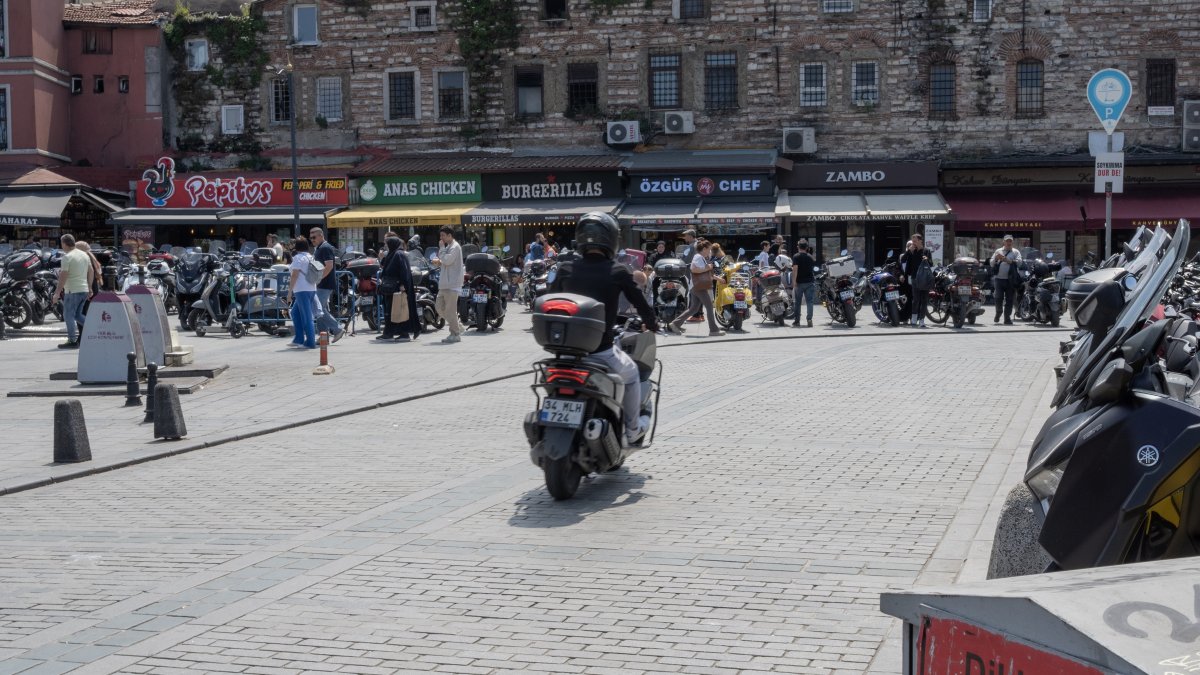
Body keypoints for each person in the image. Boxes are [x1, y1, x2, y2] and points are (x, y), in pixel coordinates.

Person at [549, 212, 658, 446]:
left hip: (564, 352)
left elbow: (548, 298)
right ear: (611, 240)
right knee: (630, 374)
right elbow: (639, 301)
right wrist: (652, 322)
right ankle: (632, 429)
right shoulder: (616, 270)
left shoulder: (566, 268)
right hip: (600, 350)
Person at [668, 240, 724, 337]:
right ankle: (714, 330)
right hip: (698, 287)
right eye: (709, 249)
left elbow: (705, 273)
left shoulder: (701, 258)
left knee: (693, 308)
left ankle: (675, 324)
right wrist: (708, 267)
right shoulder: (698, 257)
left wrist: (718, 278)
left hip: (695, 286)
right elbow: (693, 269)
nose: (710, 251)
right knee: (709, 307)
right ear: (704, 249)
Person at [52, 234, 94, 349]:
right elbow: (91, 271)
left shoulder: (67, 257)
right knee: (77, 315)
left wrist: (57, 292)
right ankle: (95, 331)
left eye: (62, 244)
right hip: (84, 289)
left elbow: (63, 275)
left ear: (64, 244)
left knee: (68, 315)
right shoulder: (84, 255)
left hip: (72, 290)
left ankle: (72, 340)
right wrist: (89, 287)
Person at [378, 236, 420, 341]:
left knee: (401, 309)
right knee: (390, 311)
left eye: (387, 244)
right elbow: (385, 266)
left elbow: (404, 271)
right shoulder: (392, 253)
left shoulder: (399, 254)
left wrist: (403, 284)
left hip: (398, 288)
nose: (386, 246)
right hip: (391, 288)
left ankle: (404, 333)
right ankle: (389, 332)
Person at [308, 228, 346, 343]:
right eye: (311, 238)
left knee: (318, 309)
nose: (312, 240)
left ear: (321, 236)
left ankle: (337, 329)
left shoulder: (325, 247)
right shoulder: (319, 248)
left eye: (314, 237)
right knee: (319, 309)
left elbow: (329, 265)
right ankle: (323, 336)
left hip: (324, 284)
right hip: (321, 284)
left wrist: (318, 279)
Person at [431, 225, 465, 344]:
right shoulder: (449, 247)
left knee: (450, 310)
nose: (441, 238)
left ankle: (455, 334)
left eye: (443, 235)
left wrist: (441, 248)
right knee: (439, 307)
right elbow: (446, 261)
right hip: (445, 283)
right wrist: (439, 262)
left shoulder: (455, 247)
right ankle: (457, 324)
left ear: (450, 235)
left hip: (452, 284)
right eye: (441, 235)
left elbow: (447, 260)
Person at [286, 237, 318, 349]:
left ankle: (310, 342)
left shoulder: (298, 258)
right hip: (311, 288)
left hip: (301, 289)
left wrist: (289, 292)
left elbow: (294, 275)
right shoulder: (311, 257)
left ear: (297, 247)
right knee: (295, 313)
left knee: (306, 316)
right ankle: (299, 338)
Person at [900, 233, 933, 327]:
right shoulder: (911, 251)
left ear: (920, 241)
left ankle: (922, 320)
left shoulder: (926, 251)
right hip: (914, 278)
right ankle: (914, 319)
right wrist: (908, 251)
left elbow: (931, 264)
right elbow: (902, 260)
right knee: (915, 299)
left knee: (924, 300)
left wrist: (927, 259)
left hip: (924, 279)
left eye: (914, 241)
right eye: (912, 241)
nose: (913, 243)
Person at [991, 234, 1023, 325]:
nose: (1009, 243)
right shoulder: (998, 251)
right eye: (1007, 241)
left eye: (1010, 241)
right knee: (998, 298)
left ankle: (1007, 318)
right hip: (999, 279)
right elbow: (991, 264)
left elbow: (1020, 263)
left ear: (1012, 242)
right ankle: (998, 312)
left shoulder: (1016, 252)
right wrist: (996, 259)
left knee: (1009, 299)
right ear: (1003, 242)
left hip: (1011, 280)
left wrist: (1009, 261)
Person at [791, 242, 816, 327]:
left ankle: (797, 321)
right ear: (806, 248)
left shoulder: (796, 256)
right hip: (810, 282)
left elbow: (795, 269)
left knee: (797, 302)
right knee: (810, 302)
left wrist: (794, 281)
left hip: (799, 283)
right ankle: (809, 319)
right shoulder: (810, 257)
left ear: (798, 247)